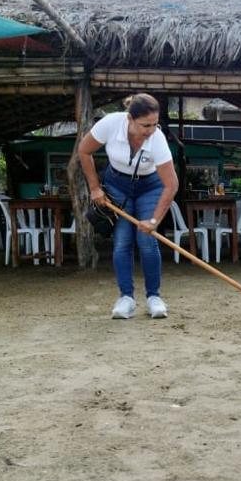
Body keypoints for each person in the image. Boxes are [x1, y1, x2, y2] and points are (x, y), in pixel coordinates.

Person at [78, 93, 179, 320]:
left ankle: (154, 297)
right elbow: (84, 151)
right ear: (130, 119)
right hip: (117, 186)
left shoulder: (157, 139)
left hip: (150, 187)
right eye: (145, 125)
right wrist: (94, 188)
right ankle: (126, 298)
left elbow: (171, 184)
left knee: (147, 240)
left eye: (155, 124)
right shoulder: (111, 124)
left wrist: (154, 220)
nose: (151, 130)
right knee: (122, 241)